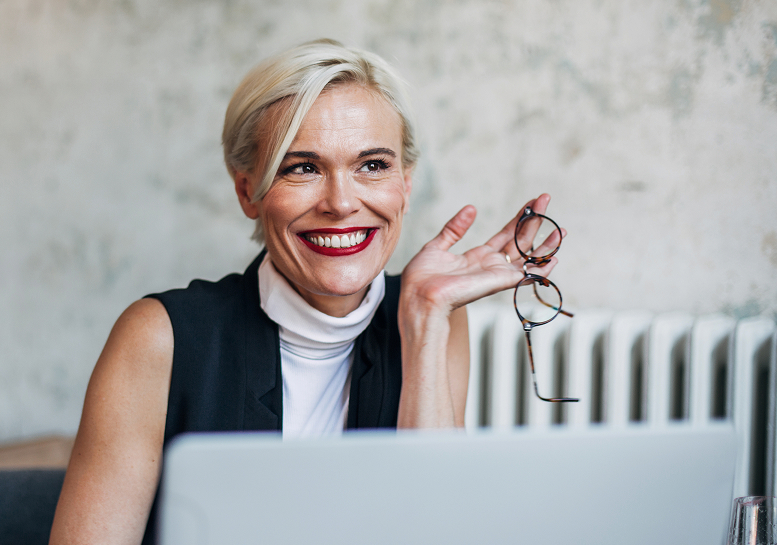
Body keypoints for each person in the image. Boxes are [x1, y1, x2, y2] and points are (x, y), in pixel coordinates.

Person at [48, 39, 562, 545]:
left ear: (405, 185)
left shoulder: (435, 318)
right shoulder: (159, 336)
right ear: (247, 191)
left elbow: (438, 529)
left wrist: (426, 320)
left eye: (372, 166)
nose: (341, 203)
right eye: (303, 168)